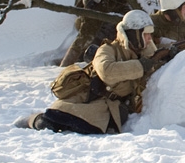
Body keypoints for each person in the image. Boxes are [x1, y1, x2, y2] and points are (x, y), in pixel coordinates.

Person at [18, 10, 160, 134]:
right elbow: (107, 71)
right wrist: (141, 66)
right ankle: (33, 120)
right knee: (50, 123)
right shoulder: (107, 50)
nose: (149, 39)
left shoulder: (143, 53)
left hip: (113, 105)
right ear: (134, 34)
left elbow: (158, 57)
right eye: (146, 34)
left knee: (95, 125)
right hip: (88, 99)